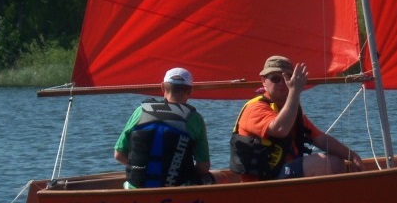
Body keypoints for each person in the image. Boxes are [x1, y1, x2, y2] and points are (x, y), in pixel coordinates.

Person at [230, 55, 363, 181]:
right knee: (328, 163)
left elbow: (320, 139)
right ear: (264, 81)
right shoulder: (255, 108)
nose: (282, 83)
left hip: (283, 174)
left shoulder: (291, 110)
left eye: (288, 78)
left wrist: (352, 155)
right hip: (263, 181)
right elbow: (280, 129)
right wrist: (294, 91)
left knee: (338, 161)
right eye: (276, 78)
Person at [114, 67, 211, 188]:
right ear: (191, 90)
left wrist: (141, 167)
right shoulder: (194, 118)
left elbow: (118, 154)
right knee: (219, 177)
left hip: (136, 190)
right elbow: (203, 167)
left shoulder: (141, 111)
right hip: (177, 190)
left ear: (162, 87)